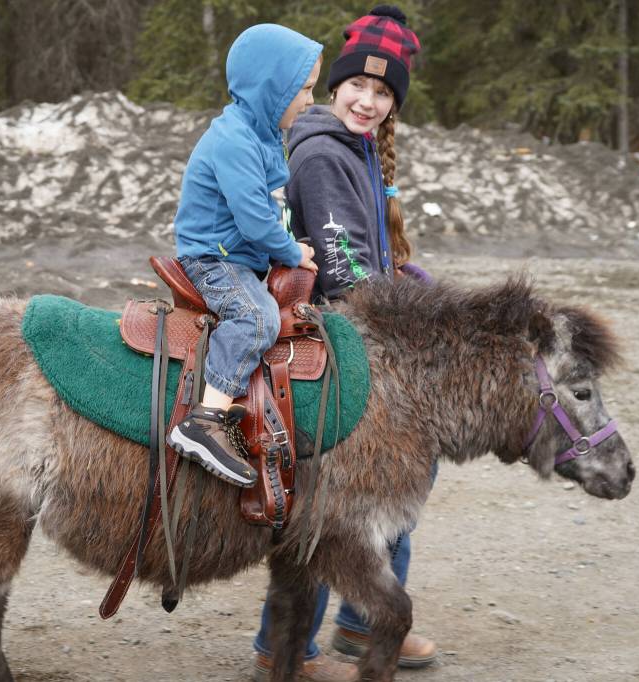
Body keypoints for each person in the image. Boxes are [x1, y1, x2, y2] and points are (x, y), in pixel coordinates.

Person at [252, 7, 437, 681]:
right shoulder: (325, 151)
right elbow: (341, 269)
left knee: (391, 480)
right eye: (359, 85)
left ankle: (361, 619)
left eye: (384, 93)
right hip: (332, 337)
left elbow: (369, 254)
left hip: (352, 327)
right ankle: (291, 645)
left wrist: (410, 280)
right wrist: (414, 313)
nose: (369, 100)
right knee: (348, 493)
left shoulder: (357, 149)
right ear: (336, 85)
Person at [166, 24, 322, 488]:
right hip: (213, 258)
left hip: (240, 252)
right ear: (271, 89)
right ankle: (205, 418)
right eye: (305, 89)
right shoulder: (233, 140)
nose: (311, 101)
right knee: (258, 319)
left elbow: (276, 205)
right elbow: (255, 218)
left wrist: (294, 243)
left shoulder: (267, 135)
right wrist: (291, 250)